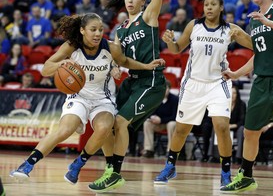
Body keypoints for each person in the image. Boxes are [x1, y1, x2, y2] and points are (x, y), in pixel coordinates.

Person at [10, 13, 163, 182]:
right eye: (93, 30)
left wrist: (144, 66)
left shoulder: (111, 48)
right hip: (78, 96)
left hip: (103, 99)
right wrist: (62, 64)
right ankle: (28, 164)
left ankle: (78, 164)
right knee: (65, 130)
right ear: (82, 30)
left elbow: (125, 61)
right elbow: (46, 69)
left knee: (105, 128)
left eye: (100, 30)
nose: (98, 33)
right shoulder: (71, 46)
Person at [153, 0, 253, 189]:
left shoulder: (230, 30)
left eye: (213, 4)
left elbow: (257, 45)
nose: (208, 7)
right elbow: (176, 49)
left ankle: (225, 171)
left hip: (218, 82)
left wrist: (246, 36)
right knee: (182, 129)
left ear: (221, 8)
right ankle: (170, 166)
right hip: (193, 84)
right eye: (206, 4)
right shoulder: (194, 25)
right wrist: (169, 41)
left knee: (222, 127)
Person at [88, 0, 167, 193]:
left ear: (143, 1)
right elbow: (117, 58)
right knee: (107, 121)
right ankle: (110, 170)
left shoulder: (148, 17)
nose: (130, 1)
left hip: (151, 81)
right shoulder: (120, 30)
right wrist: (114, 67)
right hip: (131, 81)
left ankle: (114, 173)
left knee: (120, 121)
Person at [220, 0, 273, 193]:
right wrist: (235, 73)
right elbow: (258, 55)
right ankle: (246, 176)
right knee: (250, 132)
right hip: (261, 80)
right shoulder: (254, 20)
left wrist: (268, 22)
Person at [208, 85, 246, 164]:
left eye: (235, 93)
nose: (233, 95)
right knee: (215, 127)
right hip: (224, 127)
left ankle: (238, 157)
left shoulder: (242, 104)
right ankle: (214, 155)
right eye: (231, 93)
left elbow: (242, 120)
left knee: (242, 129)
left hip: (236, 128)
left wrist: (232, 126)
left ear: (237, 94)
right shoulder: (223, 103)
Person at [142, 80, 178, 158]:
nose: (165, 90)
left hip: (168, 123)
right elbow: (148, 112)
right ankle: (149, 150)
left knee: (172, 124)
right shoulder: (155, 98)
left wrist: (161, 120)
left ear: (169, 89)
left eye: (167, 88)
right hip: (158, 124)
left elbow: (175, 116)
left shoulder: (175, 99)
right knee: (147, 123)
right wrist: (152, 117)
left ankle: (170, 151)